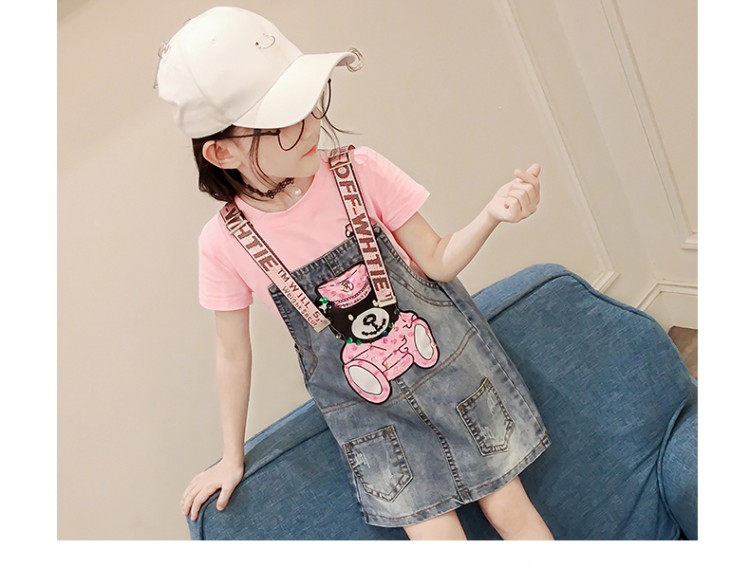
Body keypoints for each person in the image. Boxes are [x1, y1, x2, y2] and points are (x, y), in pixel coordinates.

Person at [156, 6, 553, 540]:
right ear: (223, 151)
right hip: (379, 424)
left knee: (511, 512)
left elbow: (436, 260)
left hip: (452, 379)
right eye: (284, 121)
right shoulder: (223, 243)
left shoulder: (359, 170)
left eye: (309, 104)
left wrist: (491, 215)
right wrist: (232, 456)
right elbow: (231, 354)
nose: (310, 125)